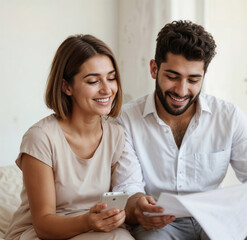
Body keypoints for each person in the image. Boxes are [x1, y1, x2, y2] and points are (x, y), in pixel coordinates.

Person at [116, 20, 247, 239]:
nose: (181, 90)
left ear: (204, 76)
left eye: (193, 79)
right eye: (172, 77)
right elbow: (128, 187)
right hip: (162, 224)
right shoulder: (126, 120)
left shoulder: (228, 116)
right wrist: (138, 208)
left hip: (218, 218)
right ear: (154, 68)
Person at [4, 34, 144, 240]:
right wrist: (87, 221)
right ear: (66, 87)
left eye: (111, 78)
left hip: (94, 230)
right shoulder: (41, 137)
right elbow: (43, 224)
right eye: (93, 81)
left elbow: (124, 193)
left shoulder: (116, 135)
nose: (107, 89)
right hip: (43, 233)